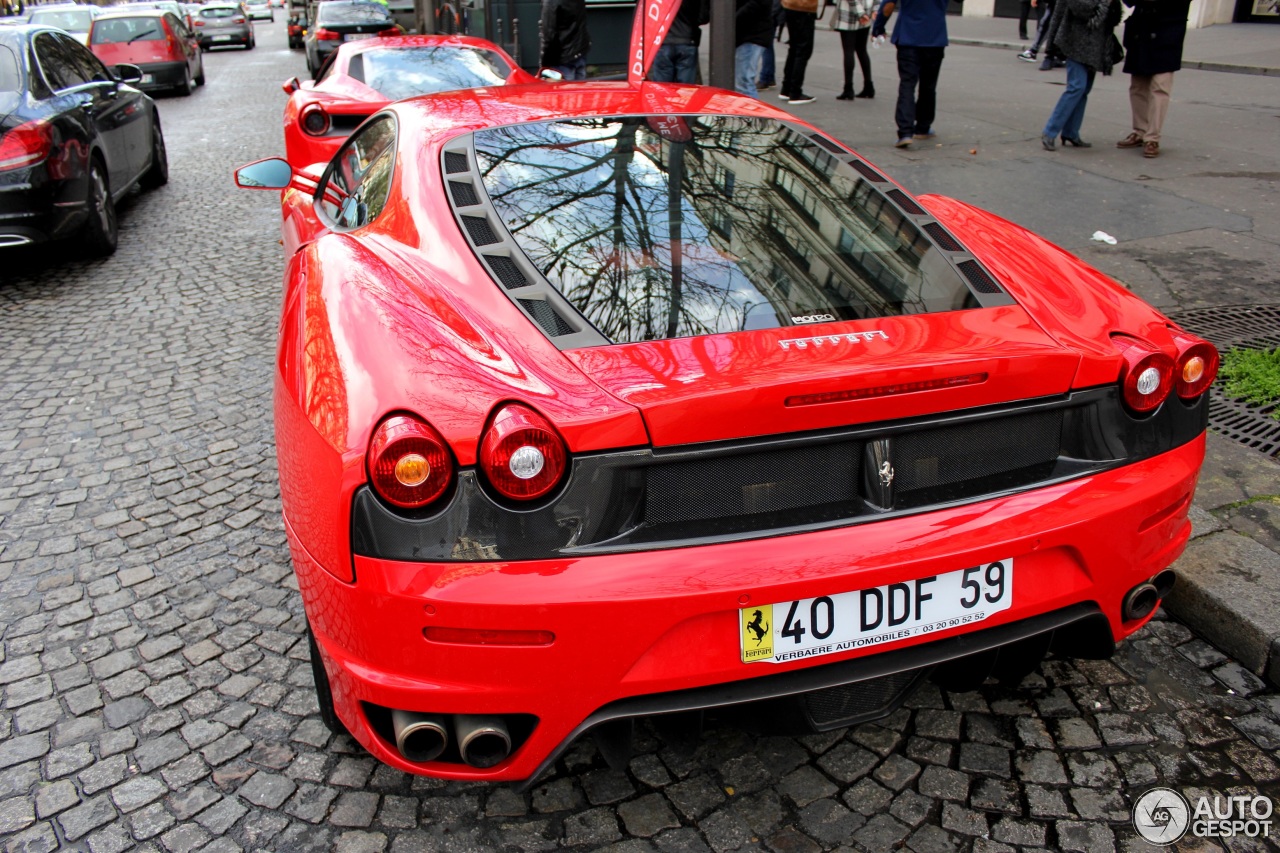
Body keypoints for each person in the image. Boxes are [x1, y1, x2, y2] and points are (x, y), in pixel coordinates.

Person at [1039, 0, 1124, 150]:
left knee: (1084, 90)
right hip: (1075, 42)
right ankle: (1049, 132)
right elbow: (1081, 9)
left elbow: (1114, 17)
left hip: (1095, 46)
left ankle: (1071, 133)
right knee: (1077, 87)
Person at [1116, 0, 1191, 158]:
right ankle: (1140, 131)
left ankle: (1152, 138)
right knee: (1137, 87)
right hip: (1141, 32)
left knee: (1160, 88)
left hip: (1167, 33)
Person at [876, 0, 948, 148]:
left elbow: (888, 6)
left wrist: (878, 27)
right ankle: (923, 127)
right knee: (928, 85)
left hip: (909, 37)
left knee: (907, 84)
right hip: (935, 37)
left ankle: (905, 132)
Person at [651, 0, 710, 83]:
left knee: (662, 87)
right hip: (687, 39)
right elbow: (703, 17)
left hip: (663, 39)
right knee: (685, 89)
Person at [778, 0, 819, 104]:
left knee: (794, 48)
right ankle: (795, 91)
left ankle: (786, 88)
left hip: (790, 5)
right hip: (804, 7)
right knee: (803, 50)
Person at [833, 0, 874, 100]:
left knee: (849, 51)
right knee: (862, 50)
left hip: (850, 14)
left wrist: (860, 13)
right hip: (867, 11)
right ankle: (868, 86)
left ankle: (848, 88)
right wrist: (875, 9)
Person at [539, 0, 590, 81]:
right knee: (578, 90)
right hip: (579, 50)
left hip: (562, 58)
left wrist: (544, 65)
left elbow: (549, 35)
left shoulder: (550, 2)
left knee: (562, 91)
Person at [736, 0, 773, 97]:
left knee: (744, 83)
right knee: (744, 82)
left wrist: (732, 19)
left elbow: (756, 4)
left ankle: (749, 111)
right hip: (750, 34)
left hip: (751, 35)